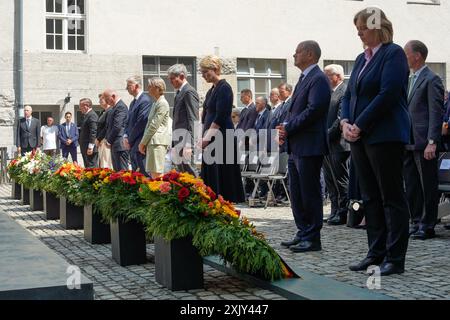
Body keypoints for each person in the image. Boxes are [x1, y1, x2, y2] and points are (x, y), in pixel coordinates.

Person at [341, 8, 411, 276]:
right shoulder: (361, 58)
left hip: (385, 135)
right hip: (360, 137)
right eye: (356, 27)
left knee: (391, 197)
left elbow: (389, 93)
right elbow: (349, 94)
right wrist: (346, 121)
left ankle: (395, 258)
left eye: (362, 26)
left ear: (377, 25)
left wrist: (360, 124)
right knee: (370, 197)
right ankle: (375, 253)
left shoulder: (392, 54)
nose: (358, 31)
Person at [277, 40, 331, 253]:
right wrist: (285, 130)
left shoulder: (318, 78)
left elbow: (314, 109)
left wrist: (289, 126)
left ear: (309, 54)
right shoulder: (304, 78)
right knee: (297, 192)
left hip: (309, 144)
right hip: (297, 144)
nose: (294, 55)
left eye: (298, 52)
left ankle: (312, 236)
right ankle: (302, 231)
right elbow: (295, 110)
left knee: (310, 192)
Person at [403, 40, 445, 240]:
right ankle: (416, 220)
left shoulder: (431, 79)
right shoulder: (410, 78)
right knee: (411, 185)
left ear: (417, 55)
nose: (405, 57)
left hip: (424, 141)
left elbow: (435, 113)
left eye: (407, 53)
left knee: (426, 185)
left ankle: (428, 225)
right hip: (408, 141)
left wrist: (432, 141)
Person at [198, 55, 245, 203]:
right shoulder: (211, 91)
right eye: (202, 72)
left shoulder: (225, 88)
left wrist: (206, 138)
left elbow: (220, 117)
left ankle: (223, 206)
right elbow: (205, 117)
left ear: (216, 69)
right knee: (211, 177)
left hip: (222, 138)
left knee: (223, 177)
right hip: (211, 138)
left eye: (207, 71)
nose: (204, 75)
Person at [323, 64, 350, 226]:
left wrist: (326, 135)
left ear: (337, 76)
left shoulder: (344, 91)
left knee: (341, 179)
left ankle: (343, 212)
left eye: (328, 75)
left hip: (339, 144)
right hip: (326, 143)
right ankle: (334, 210)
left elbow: (340, 118)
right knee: (330, 180)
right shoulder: (329, 93)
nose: (325, 78)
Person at [168, 64, 200, 176]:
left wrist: (189, 144)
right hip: (178, 140)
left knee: (190, 173)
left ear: (181, 76)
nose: (170, 82)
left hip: (186, 140)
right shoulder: (179, 93)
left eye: (172, 78)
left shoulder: (189, 92)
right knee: (182, 175)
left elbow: (193, 119)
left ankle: (200, 193)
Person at [139, 77, 172, 179]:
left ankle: (160, 194)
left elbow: (154, 125)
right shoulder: (156, 103)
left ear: (158, 88)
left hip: (157, 142)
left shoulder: (162, 103)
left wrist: (143, 142)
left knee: (157, 174)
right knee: (154, 173)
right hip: (153, 142)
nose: (148, 89)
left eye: (150, 86)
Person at [124, 76, 152, 175]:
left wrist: (130, 139)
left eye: (128, 85)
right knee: (136, 174)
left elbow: (141, 123)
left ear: (136, 86)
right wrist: (125, 136)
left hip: (140, 142)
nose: (126, 88)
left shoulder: (145, 100)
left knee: (143, 172)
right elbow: (128, 122)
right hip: (132, 143)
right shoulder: (133, 102)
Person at [103, 89, 130, 171]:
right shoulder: (114, 108)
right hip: (115, 145)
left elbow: (117, 126)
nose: (106, 102)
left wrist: (109, 141)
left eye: (107, 99)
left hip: (120, 144)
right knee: (117, 172)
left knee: (122, 172)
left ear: (113, 96)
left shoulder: (120, 107)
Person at [79, 98, 99, 168]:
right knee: (88, 168)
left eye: (80, 106)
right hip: (85, 148)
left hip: (89, 148)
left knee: (91, 168)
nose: (80, 109)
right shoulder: (87, 115)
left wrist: (90, 147)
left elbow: (93, 131)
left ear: (86, 106)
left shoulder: (92, 115)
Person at [95, 94, 113, 168]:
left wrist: (98, 139)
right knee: (102, 163)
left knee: (106, 163)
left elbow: (106, 127)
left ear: (107, 100)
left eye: (101, 100)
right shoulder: (103, 112)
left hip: (105, 140)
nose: (99, 102)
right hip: (101, 141)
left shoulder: (110, 111)